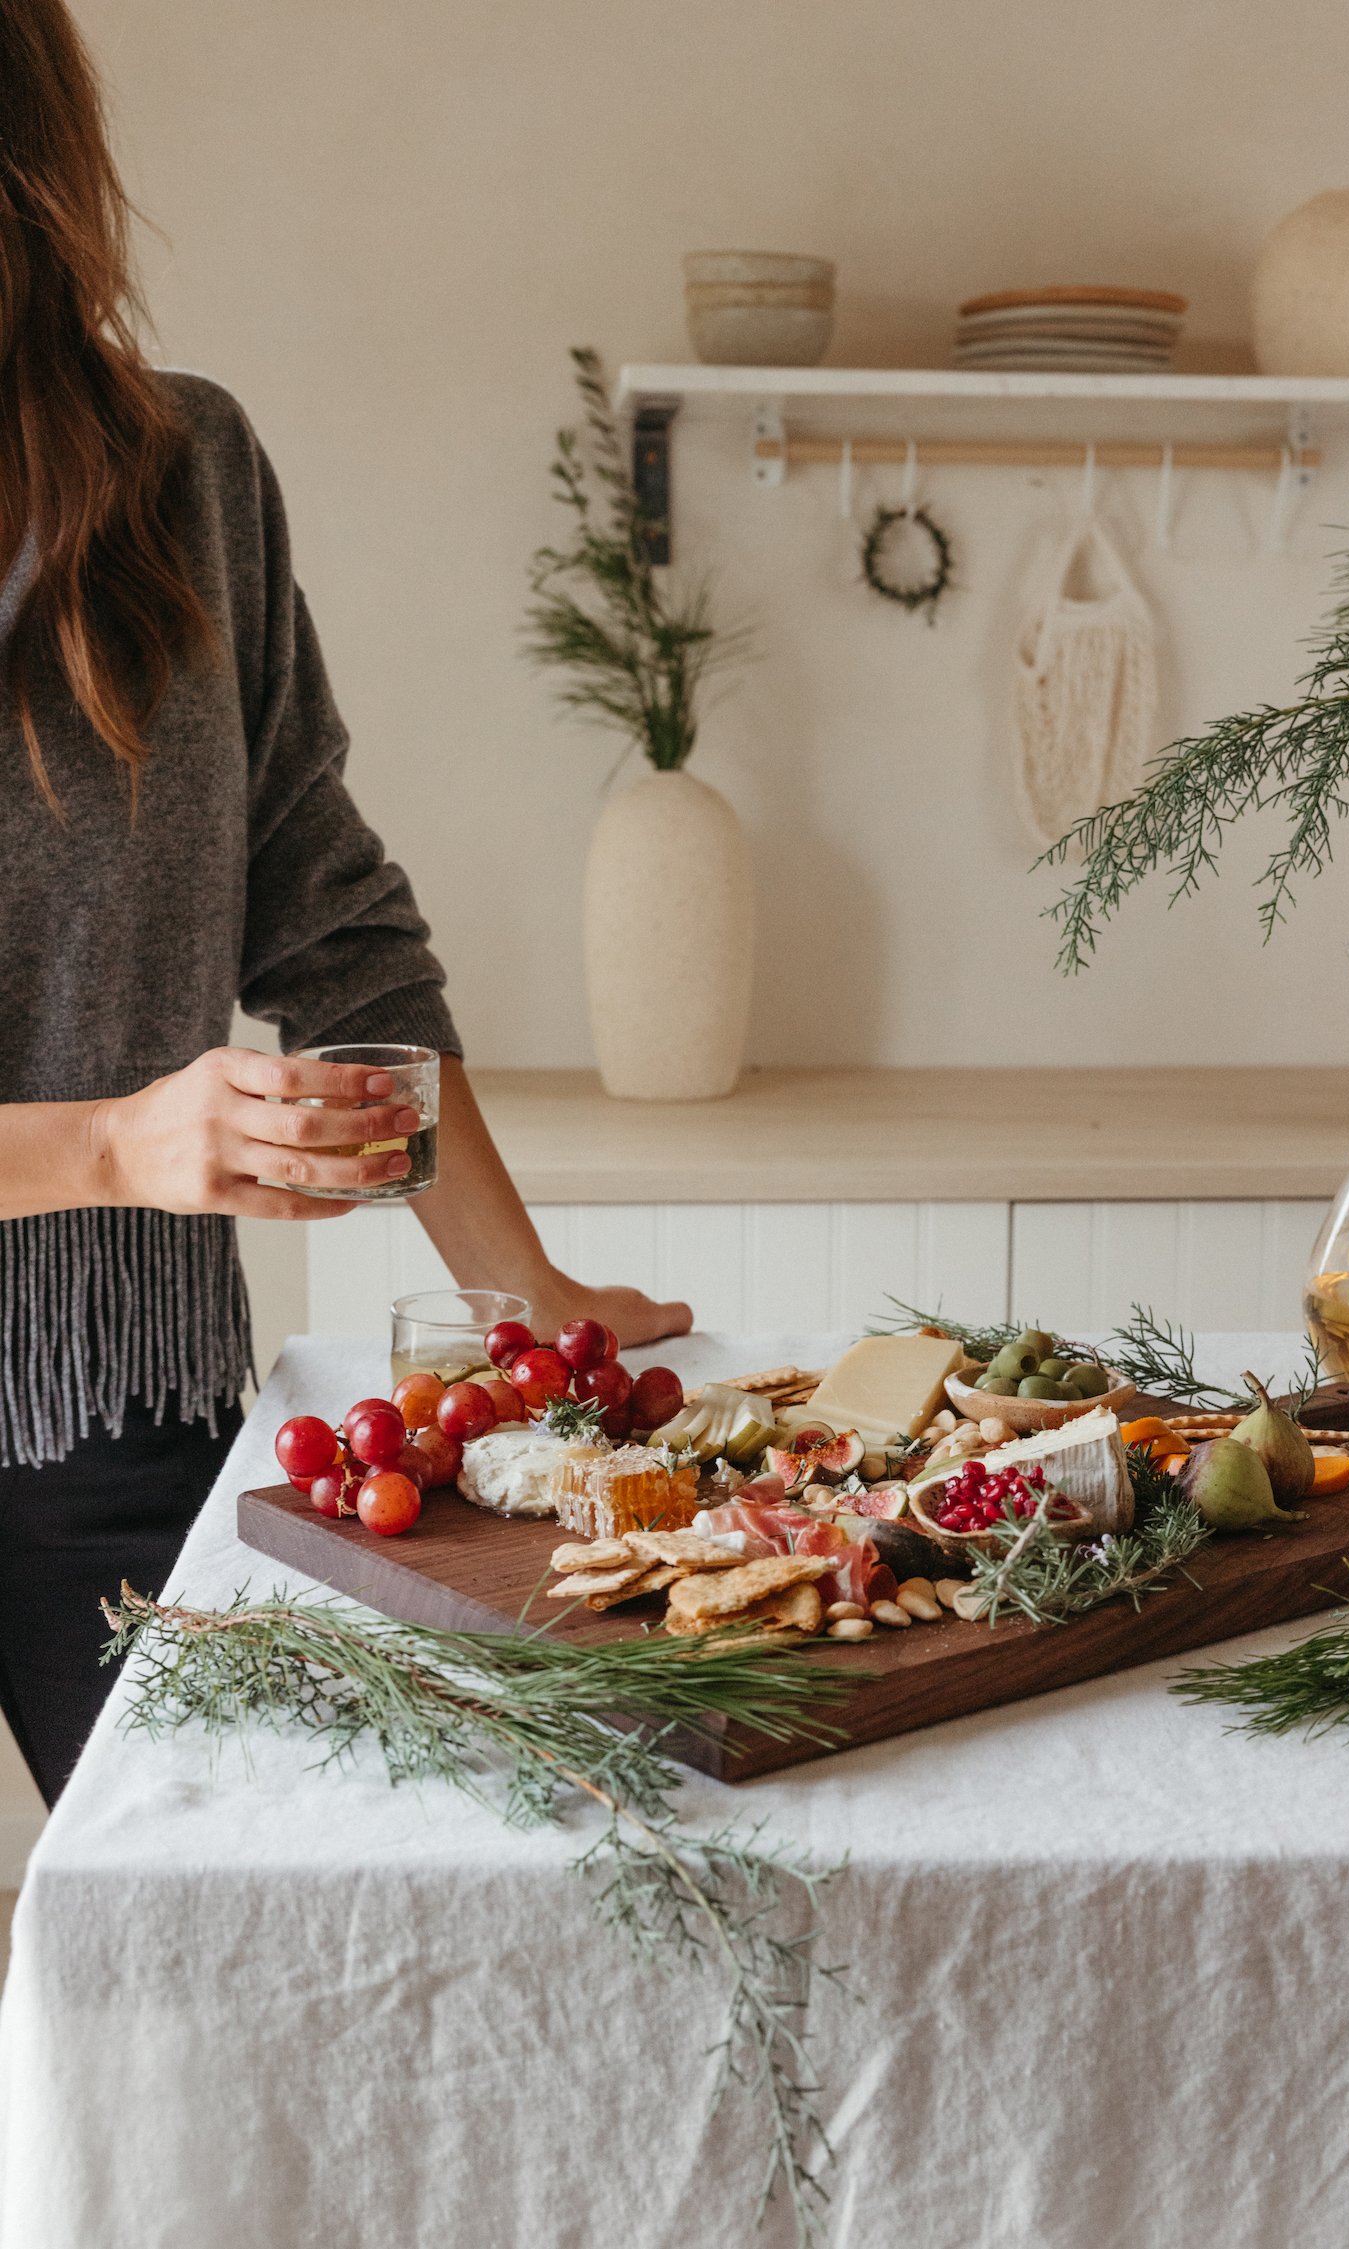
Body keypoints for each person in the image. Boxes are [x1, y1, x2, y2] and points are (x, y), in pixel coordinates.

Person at [0, 0, 690, 1805]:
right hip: (112, 1280)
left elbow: (334, 923)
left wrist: (525, 1294)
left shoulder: (184, 475)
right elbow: (132, 1136)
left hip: (123, 1407)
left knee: (220, 1961)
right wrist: (110, 1146)